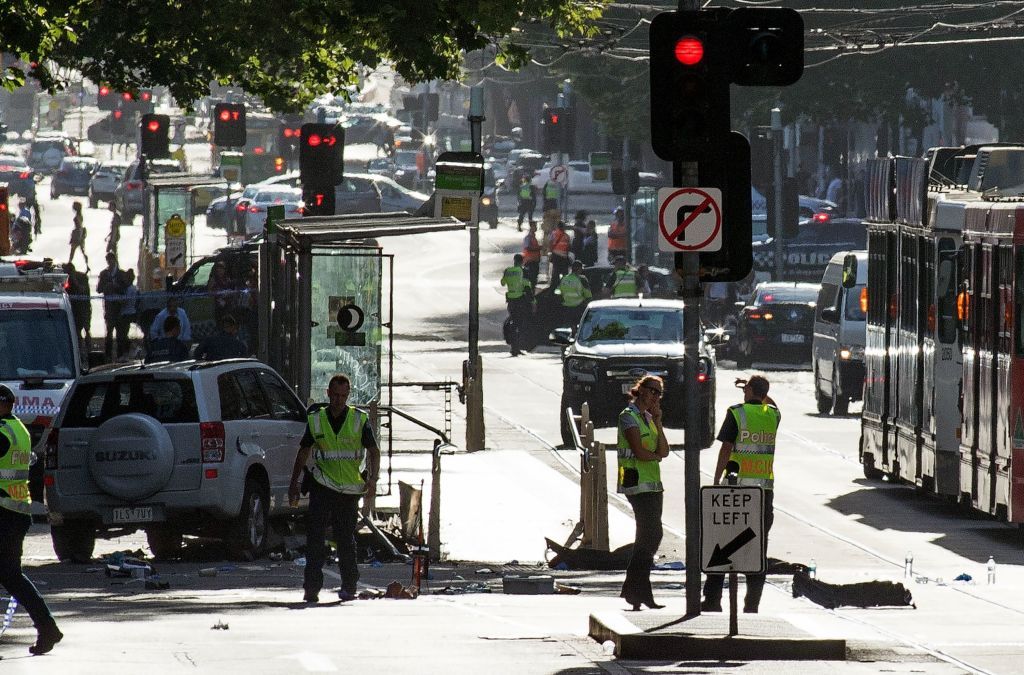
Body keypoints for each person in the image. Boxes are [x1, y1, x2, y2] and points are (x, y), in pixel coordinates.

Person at [288, 374, 380, 604]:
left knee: (345, 540)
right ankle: (311, 589)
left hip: (349, 490)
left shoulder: (358, 419)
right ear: (328, 393)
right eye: (335, 395)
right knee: (315, 539)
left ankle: (349, 586)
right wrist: (294, 483)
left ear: (348, 396)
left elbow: (373, 451)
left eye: (343, 396)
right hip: (323, 484)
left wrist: (372, 481)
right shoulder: (317, 419)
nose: (339, 400)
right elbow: (303, 451)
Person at [701, 375, 780, 614]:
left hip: (735, 491)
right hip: (763, 492)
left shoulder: (737, 413)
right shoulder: (773, 415)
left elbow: (726, 448)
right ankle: (752, 604)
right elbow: (773, 404)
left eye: (746, 388)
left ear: (749, 390)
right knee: (758, 549)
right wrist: (757, 389)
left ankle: (713, 599)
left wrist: (716, 479)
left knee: (721, 546)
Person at [0, 384, 63, 655]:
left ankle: (48, 628)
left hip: (4, 512)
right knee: (12, 577)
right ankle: (48, 628)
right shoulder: (18, 429)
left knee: (11, 576)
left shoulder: (3, 431)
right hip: (16, 511)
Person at [617, 375, 670, 610]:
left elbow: (664, 450)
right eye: (652, 391)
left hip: (652, 484)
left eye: (659, 393)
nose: (655, 397)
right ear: (640, 391)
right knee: (651, 534)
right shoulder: (628, 417)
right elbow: (639, 451)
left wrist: (658, 421)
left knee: (649, 537)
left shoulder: (649, 419)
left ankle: (635, 590)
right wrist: (655, 456)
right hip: (635, 482)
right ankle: (637, 591)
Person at [500, 253, 533, 357]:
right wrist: (532, 301)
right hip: (520, 301)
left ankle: (514, 347)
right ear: (522, 261)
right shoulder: (523, 271)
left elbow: (502, 283)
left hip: (511, 301)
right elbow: (527, 287)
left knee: (513, 322)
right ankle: (515, 348)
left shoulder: (508, 271)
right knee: (519, 324)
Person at [96, 253, 125, 360]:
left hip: (120, 308)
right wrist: (106, 286)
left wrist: (117, 287)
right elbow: (99, 289)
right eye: (108, 261)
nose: (110, 263)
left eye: (111, 260)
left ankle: (120, 355)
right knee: (109, 333)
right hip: (109, 308)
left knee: (120, 334)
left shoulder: (121, 274)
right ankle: (108, 355)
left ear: (114, 260)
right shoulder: (104, 274)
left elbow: (126, 288)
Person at [556, 260, 592, 328]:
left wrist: (562, 300)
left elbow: (557, 292)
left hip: (566, 308)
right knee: (580, 328)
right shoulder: (582, 279)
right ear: (579, 269)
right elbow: (589, 296)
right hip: (579, 308)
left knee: (567, 328)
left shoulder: (564, 278)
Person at [62, 262, 92, 343]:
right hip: (73, 308)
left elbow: (83, 289)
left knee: (87, 329)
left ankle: (88, 348)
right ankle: (80, 348)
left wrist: (74, 280)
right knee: (77, 331)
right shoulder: (66, 279)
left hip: (83, 307)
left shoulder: (81, 277)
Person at [117, 269, 138, 359]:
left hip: (128, 313)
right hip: (126, 313)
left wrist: (118, 300)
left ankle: (133, 347)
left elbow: (126, 301)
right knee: (122, 335)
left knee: (123, 335)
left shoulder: (131, 289)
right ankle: (125, 353)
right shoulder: (128, 289)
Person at [68, 201, 89, 271]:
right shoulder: (79, 215)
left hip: (77, 235)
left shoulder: (77, 217)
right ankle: (87, 265)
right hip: (79, 235)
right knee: (82, 251)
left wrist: (79, 237)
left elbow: (79, 227)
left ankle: (69, 263)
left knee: (73, 251)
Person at [548, 221, 571, 287]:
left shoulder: (553, 234)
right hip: (564, 257)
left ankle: (554, 287)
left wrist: (551, 252)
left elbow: (550, 244)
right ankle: (565, 287)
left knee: (555, 274)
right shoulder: (567, 236)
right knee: (565, 274)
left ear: (557, 226)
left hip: (556, 257)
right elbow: (569, 247)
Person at [521, 221, 541, 288]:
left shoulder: (533, 237)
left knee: (534, 280)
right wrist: (538, 248)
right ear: (531, 227)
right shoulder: (528, 238)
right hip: (530, 262)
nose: (536, 228)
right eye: (534, 226)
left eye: (536, 226)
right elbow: (527, 248)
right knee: (531, 280)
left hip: (534, 262)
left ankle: (532, 292)